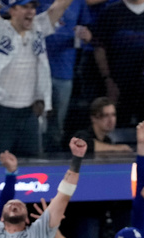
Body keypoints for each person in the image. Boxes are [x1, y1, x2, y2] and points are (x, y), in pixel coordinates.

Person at [0, 0, 70, 157]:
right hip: (0, 112)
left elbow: (60, 6)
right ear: (12, 10)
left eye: (33, 7)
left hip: (28, 113)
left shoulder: (39, 27)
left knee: (31, 166)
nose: (31, 11)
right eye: (25, 7)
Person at [92, 0, 144, 127]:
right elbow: (100, 48)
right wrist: (108, 80)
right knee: (117, 130)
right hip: (120, 85)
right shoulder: (110, 12)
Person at [40, 0, 91, 151]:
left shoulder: (78, 3)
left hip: (64, 71)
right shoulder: (35, 3)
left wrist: (87, 36)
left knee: (57, 123)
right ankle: (35, 156)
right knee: (38, 120)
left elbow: (85, 29)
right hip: (37, 72)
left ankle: (53, 159)